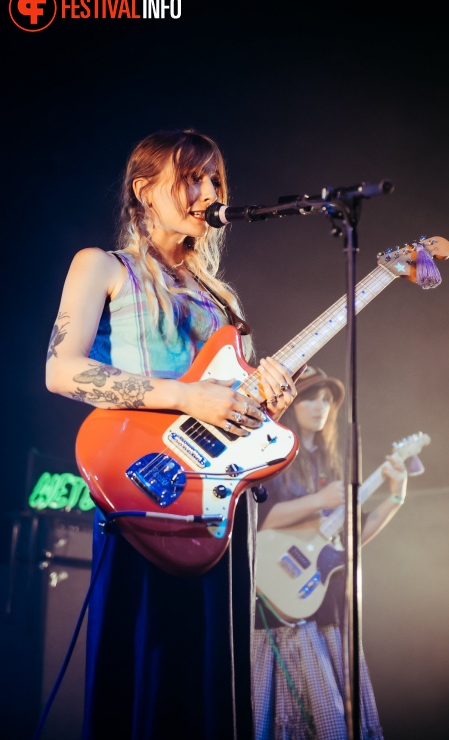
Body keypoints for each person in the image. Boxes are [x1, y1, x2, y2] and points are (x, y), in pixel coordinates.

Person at [45, 128, 297, 740]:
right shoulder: (103, 267)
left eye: (214, 180)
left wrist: (267, 410)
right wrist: (187, 395)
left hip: (214, 502)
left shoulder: (223, 301)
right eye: (191, 178)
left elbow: (229, 414)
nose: (207, 191)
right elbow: (61, 370)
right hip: (141, 485)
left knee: (208, 682)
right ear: (144, 191)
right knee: (143, 667)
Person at [253, 366, 408, 740]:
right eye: (312, 397)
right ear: (292, 403)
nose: (321, 407)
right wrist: (319, 500)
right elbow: (261, 518)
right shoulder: (270, 454)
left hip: (323, 603)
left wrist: (396, 497)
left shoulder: (331, 463)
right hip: (278, 600)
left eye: (327, 400)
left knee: (335, 719)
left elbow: (350, 541)